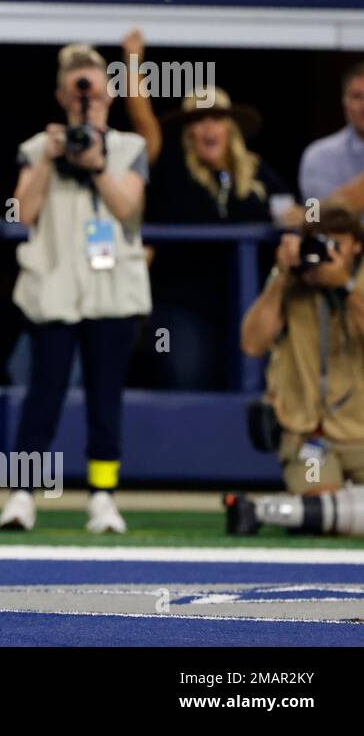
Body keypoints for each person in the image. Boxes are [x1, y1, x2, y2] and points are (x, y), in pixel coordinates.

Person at [0, 44, 150, 535]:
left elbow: (128, 209)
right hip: (55, 287)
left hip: (112, 288)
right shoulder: (38, 146)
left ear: (109, 91)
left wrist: (97, 163)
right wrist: (50, 156)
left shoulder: (130, 148)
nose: (89, 97)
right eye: (77, 88)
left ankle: (103, 497)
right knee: (44, 392)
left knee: (106, 395)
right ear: (62, 95)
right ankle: (22, 495)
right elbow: (21, 212)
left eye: (96, 87)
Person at [146, 87, 296, 389]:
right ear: (188, 132)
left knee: (256, 382)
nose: (208, 128)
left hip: (246, 302)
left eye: (216, 119)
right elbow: (144, 127)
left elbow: (299, 210)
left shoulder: (256, 172)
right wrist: (133, 63)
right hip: (181, 303)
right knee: (183, 375)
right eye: (199, 121)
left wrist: (307, 216)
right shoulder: (170, 170)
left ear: (230, 128)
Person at [230, 203, 364, 535]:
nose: (325, 252)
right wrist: (282, 276)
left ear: (357, 246)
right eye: (320, 242)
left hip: (361, 432)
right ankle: (301, 511)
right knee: (321, 505)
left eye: (337, 244)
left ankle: (275, 511)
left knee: (330, 513)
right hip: (311, 435)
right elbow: (251, 343)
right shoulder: (292, 281)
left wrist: (344, 285)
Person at [299, 62, 364, 214]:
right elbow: (312, 216)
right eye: (357, 97)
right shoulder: (319, 155)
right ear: (344, 102)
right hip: (336, 237)